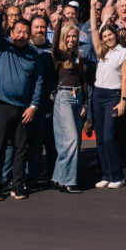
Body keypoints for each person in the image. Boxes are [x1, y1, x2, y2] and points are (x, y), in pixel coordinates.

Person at [0, 0, 46, 201]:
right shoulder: (2, 47)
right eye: (18, 32)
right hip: (1, 106)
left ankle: (17, 185)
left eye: (26, 33)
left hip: (23, 109)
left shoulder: (33, 54)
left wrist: (33, 106)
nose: (22, 36)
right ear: (12, 32)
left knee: (21, 149)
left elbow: (38, 81)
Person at [90, 23, 126, 189]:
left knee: (109, 137)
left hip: (113, 96)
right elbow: (94, 30)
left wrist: (123, 100)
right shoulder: (102, 51)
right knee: (99, 139)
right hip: (98, 95)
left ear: (115, 34)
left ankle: (118, 175)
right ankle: (106, 174)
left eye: (110, 35)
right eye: (105, 36)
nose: (107, 38)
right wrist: (92, 7)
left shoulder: (124, 52)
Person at [49, 21, 87, 193]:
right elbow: (55, 44)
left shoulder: (79, 56)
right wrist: (58, 23)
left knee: (73, 142)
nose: (71, 39)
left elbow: (84, 81)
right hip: (64, 97)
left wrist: (85, 102)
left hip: (78, 97)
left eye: (74, 36)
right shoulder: (59, 54)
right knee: (70, 140)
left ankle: (58, 177)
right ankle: (69, 181)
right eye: (69, 36)